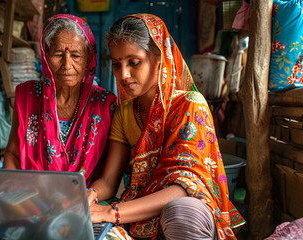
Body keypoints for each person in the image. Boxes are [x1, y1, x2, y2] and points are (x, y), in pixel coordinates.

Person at [87, 14, 246, 240]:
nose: (123, 74)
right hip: (138, 210)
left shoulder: (189, 106)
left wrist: (111, 213)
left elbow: (184, 188)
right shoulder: (124, 113)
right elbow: (109, 182)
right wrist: (89, 195)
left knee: (182, 213)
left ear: (158, 58)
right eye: (116, 64)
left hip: (184, 213)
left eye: (134, 62)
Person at [4, 14, 117, 185]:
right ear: (45, 56)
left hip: (85, 199)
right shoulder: (27, 96)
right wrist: (12, 189)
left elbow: (107, 175)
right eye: (58, 54)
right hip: (32, 194)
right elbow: (12, 154)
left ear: (88, 59)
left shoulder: (105, 105)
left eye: (76, 56)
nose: (67, 65)